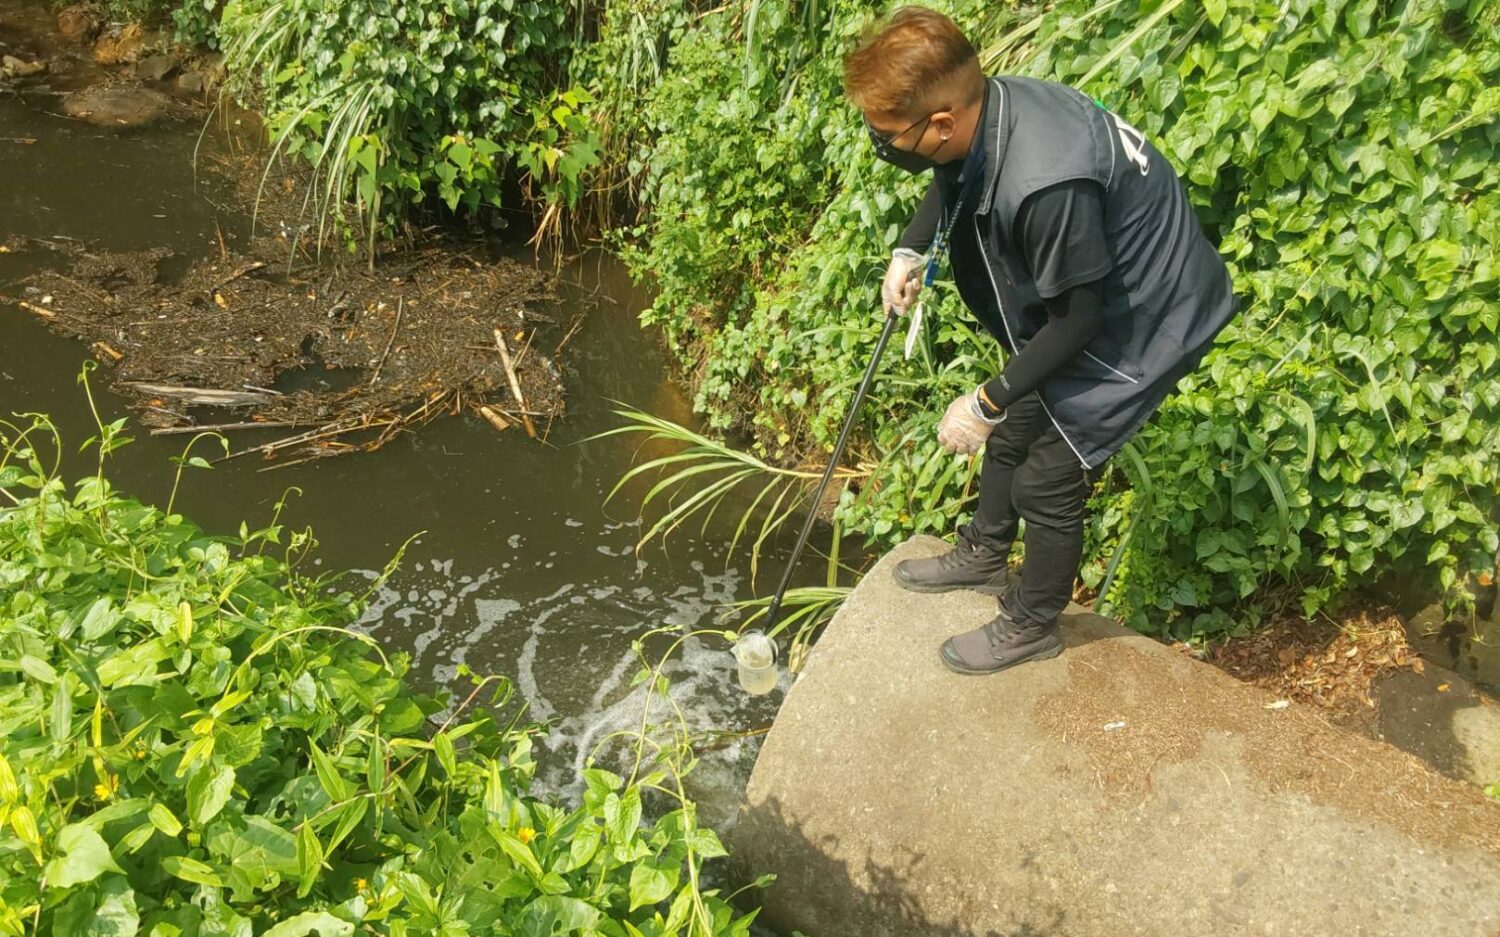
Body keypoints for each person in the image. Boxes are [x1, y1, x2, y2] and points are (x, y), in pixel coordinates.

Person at [841, 7, 1237, 675]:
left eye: (889, 134)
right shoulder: (985, 112)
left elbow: (1082, 323)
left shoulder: (1045, 183)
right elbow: (954, 177)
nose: (883, 145)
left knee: (1049, 474)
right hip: (1094, 291)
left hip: (1145, 313)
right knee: (1016, 424)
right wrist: (911, 248)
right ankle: (984, 551)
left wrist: (984, 400)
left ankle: (1031, 621)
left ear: (940, 122)